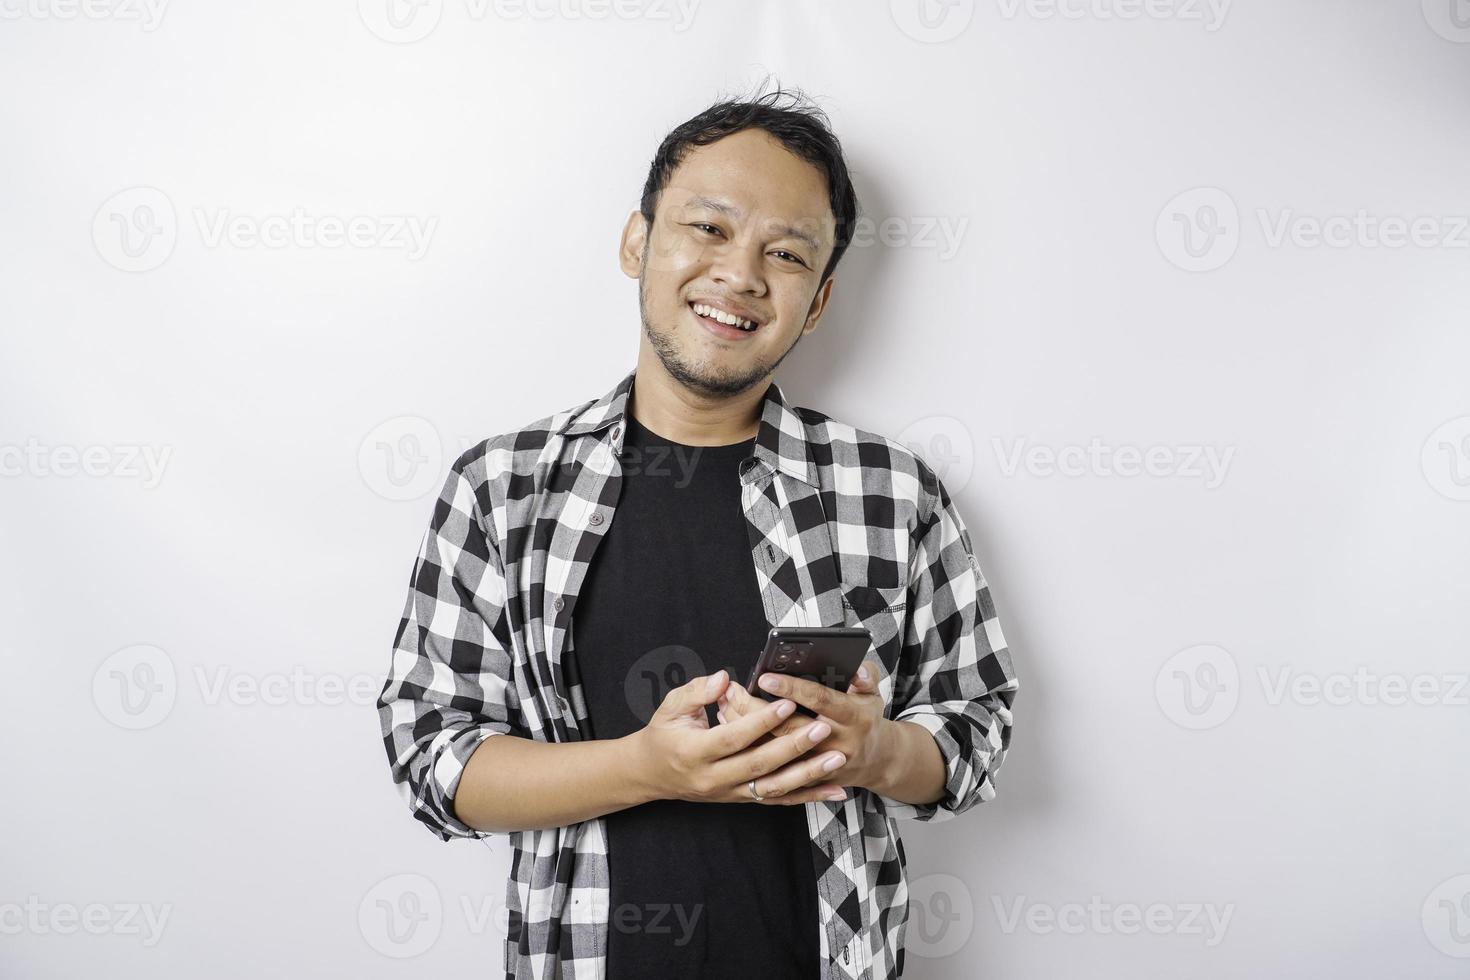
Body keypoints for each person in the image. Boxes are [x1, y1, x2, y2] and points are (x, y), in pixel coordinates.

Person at [376, 83, 1019, 980]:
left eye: (786, 254)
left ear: (820, 300)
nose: (742, 275)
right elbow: (431, 754)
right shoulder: (501, 487)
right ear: (638, 241)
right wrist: (648, 767)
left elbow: (975, 727)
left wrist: (877, 751)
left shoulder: (893, 492)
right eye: (708, 228)